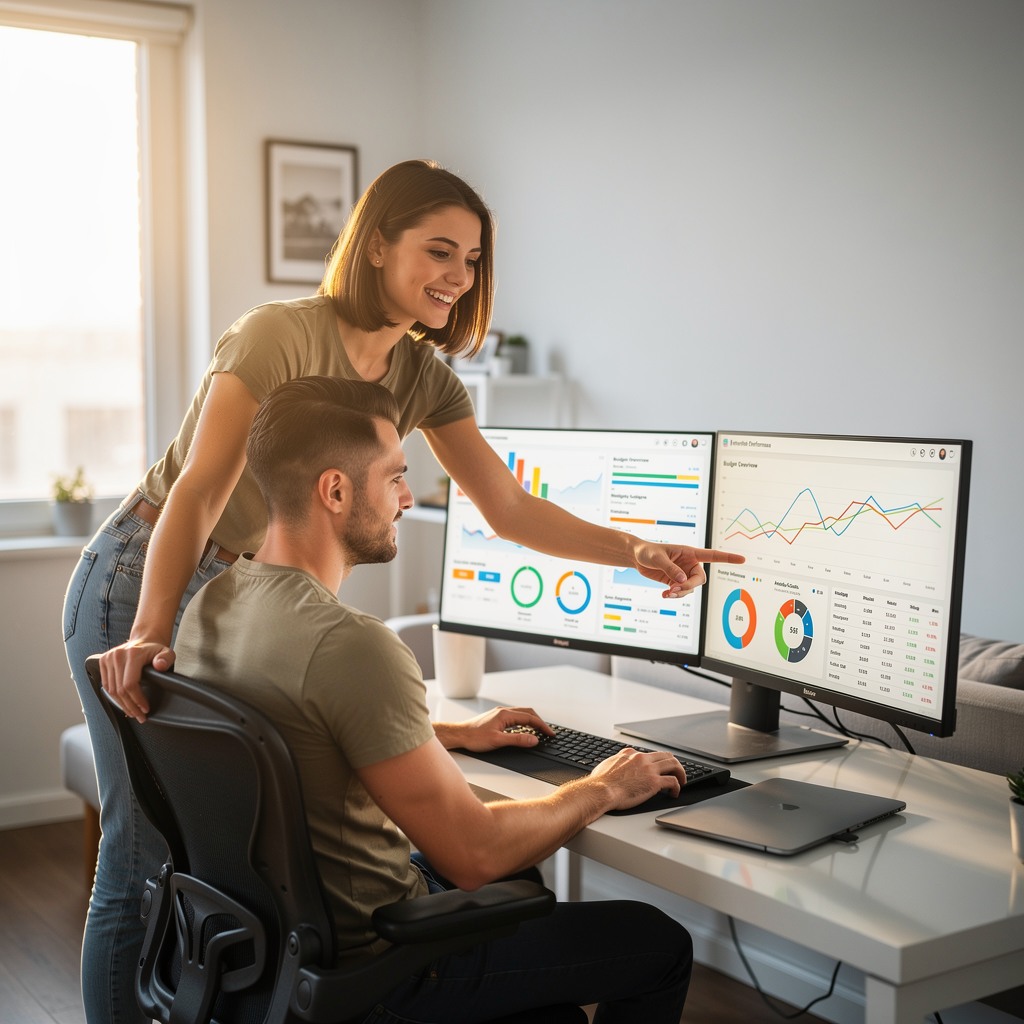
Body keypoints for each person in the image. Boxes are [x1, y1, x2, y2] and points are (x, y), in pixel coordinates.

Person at [63, 158, 742, 1023]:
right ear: (377, 243)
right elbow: (198, 490)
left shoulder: (422, 377)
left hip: (238, 579)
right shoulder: (279, 335)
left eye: (472, 261)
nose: (458, 278)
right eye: (439, 251)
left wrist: (636, 549)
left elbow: (505, 505)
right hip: (147, 564)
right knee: (143, 854)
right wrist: (151, 629)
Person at [172, 375, 694, 1022]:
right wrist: (603, 788)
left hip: (272, 943)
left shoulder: (213, 603)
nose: (408, 498)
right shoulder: (352, 645)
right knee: (658, 940)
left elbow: (290, 733)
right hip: (383, 961)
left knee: (525, 898)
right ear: (334, 491)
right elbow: (474, 856)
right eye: (393, 477)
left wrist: (448, 734)